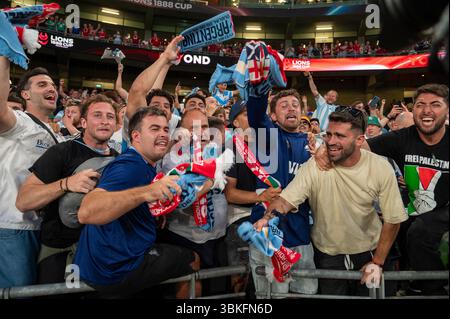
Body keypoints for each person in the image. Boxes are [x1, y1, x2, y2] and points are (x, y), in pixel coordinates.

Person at [256, 107, 408, 296]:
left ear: (360, 140)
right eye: (328, 134)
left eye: (340, 136)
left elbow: (393, 219)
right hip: (327, 254)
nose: (331, 141)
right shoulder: (315, 166)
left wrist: (378, 261)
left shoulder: (379, 167)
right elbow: (285, 201)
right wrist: (268, 217)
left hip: (369, 252)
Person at [73, 107, 199, 298]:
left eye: (166, 129)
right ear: (136, 136)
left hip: (102, 264)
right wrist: (147, 192)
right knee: (193, 259)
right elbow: (87, 212)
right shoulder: (130, 166)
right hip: (114, 270)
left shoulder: (145, 164)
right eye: (155, 129)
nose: (164, 134)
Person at [16, 95, 119, 284]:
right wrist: (66, 184)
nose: (105, 121)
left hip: (100, 252)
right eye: (97, 115)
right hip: (61, 252)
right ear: (84, 122)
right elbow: (24, 201)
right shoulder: (63, 151)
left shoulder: (119, 160)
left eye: (110, 117)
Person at [363, 84, 449, 295]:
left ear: (447, 110)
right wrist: (326, 151)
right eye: (420, 105)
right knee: (395, 224)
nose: (427, 110)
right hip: (416, 210)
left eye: (435, 105)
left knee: (420, 229)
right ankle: (409, 284)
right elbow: (360, 146)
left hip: (444, 209)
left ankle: (433, 289)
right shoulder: (403, 138)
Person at [246, 89, 318, 298]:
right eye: (284, 105)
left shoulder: (313, 144)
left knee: (306, 293)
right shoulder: (267, 136)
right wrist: (258, 87)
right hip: (267, 235)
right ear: (274, 116)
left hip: (301, 233)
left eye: (295, 104)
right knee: (271, 297)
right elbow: (256, 114)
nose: (291, 108)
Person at [0, 59, 62, 288]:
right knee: (17, 291)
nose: (51, 89)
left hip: (37, 227)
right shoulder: (19, 122)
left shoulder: (53, 133)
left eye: (53, 85)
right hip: (12, 225)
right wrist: (4, 56)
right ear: (25, 95)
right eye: (42, 85)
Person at [224, 100, 281, 293]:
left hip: (269, 217)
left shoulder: (267, 145)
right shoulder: (231, 149)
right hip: (241, 220)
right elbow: (229, 194)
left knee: (272, 282)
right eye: (247, 114)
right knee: (243, 282)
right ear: (235, 123)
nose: (254, 118)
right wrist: (261, 197)